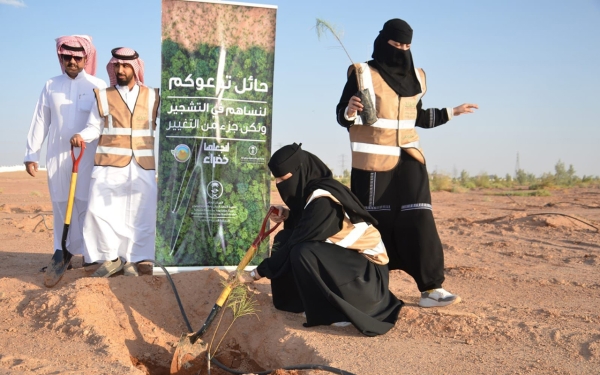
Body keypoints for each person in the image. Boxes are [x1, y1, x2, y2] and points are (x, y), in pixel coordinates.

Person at [335, 19, 478, 308]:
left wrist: (453, 112)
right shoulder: (363, 73)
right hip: (373, 163)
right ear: (383, 41)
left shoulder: (418, 77)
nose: (401, 50)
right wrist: (351, 109)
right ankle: (368, 291)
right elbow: (342, 114)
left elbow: (418, 117)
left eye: (407, 46)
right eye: (396, 44)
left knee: (419, 217)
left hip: (410, 159)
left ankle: (431, 288)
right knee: (374, 224)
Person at [244, 143, 403, 337]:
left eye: (284, 179)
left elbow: (301, 238)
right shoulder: (314, 193)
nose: (280, 184)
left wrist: (255, 274)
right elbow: (304, 226)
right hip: (351, 268)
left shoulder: (324, 201)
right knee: (284, 238)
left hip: (368, 282)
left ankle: (338, 311)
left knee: (303, 251)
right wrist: (288, 213)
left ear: (301, 172)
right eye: (276, 179)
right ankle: (295, 302)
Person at [24, 35, 107, 285]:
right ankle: (62, 252)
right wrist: (31, 153)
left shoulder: (97, 85)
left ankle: (90, 255)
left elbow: (102, 122)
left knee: (86, 204)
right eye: (67, 57)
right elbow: (41, 120)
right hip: (58, 157)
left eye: (77, 57)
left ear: (85, 59)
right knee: (61, 203)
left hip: (87, 157)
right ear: (61, 57)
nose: (72, 61)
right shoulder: (51, 85)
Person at [70, 47, 160, 277]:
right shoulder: (103, 95)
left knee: (142, 212)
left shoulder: (153, 96)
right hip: (108, 164)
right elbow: (94, 127)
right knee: (99, 210)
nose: (120, 70)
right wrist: (82, 136)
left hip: (143, 165)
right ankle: (109, 257)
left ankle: (140, 258)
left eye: (125, 66)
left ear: (135, 68)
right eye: (116, 66)